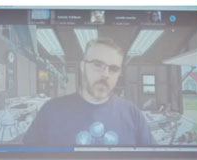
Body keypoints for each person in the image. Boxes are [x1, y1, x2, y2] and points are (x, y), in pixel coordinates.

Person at [23, 38, 155, 147]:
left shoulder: (132, 114)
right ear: (82, 66)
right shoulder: (50, 111)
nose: (105, 74)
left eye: (113, 69)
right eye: (97, 64)